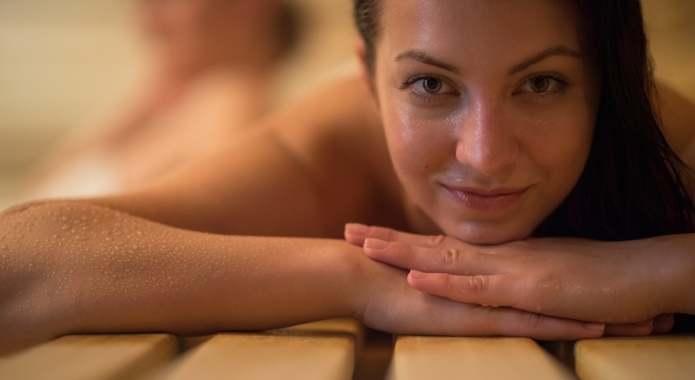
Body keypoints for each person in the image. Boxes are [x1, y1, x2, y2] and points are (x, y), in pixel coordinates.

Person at [2, 0, 694, 355]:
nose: (484, 154)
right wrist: (352, 279)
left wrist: (662, 268)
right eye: (430, 84)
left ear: (609, 80)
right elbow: (21, 258)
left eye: (541, 83)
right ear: (368, 75)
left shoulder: (661, 138)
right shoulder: (335, 140)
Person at [26, 0, 299, 198]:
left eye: (166, 1)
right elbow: (37, 194)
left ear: (250, 6)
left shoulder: (231, 105)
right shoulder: (186, 107)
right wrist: (139, 108)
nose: (149, 17)